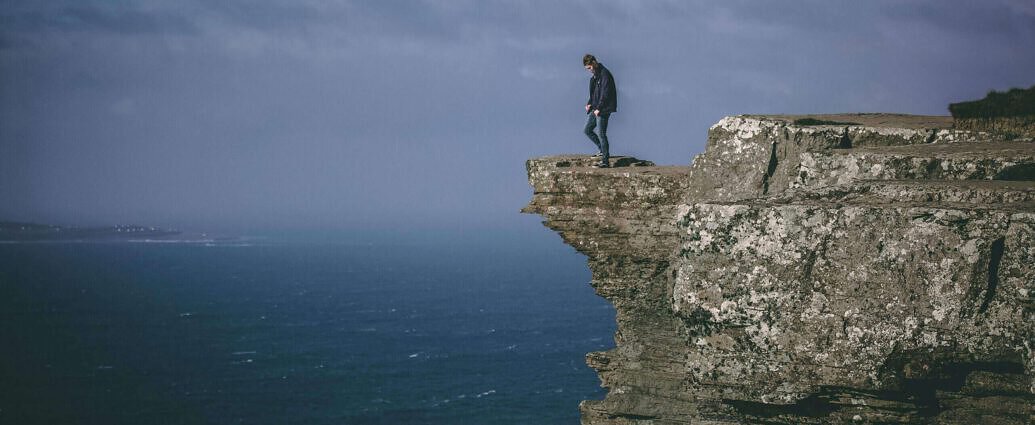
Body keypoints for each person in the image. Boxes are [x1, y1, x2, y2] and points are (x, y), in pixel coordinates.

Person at [583, 54, 617, 168]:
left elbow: (605, 94)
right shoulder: (595, 76)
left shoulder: (604, 74)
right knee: (587, 130)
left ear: (594, 63)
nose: (589, 70)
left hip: (604, 109)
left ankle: (605, 161)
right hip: (596, 108)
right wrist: (589, 103)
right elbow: (594, 95)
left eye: (589, 68)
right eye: (587, 69)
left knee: (601, 134)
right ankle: (601, 149)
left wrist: (599, 108)